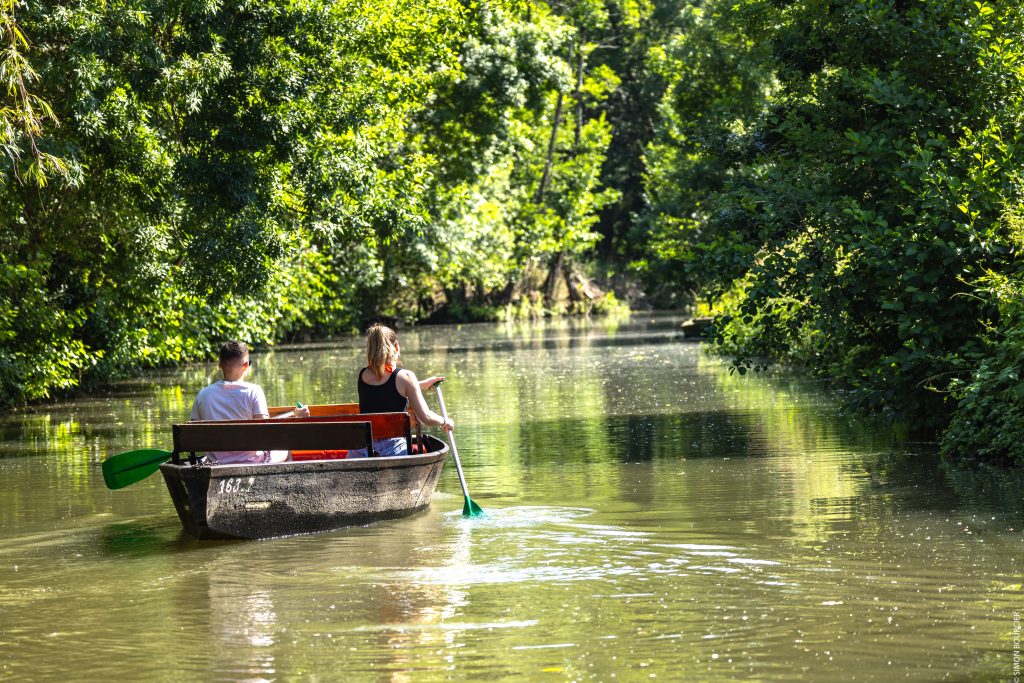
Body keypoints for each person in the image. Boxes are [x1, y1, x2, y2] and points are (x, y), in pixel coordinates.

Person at [189, 340, 310, 464]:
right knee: (285, 448)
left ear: (219, 365)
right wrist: (295, 419)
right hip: (253, 463)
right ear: (246, 365)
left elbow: (193, 434)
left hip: (216, 463)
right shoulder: (254, 391)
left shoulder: (202, 395)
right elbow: (265, 433)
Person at [351, 323, 453, 457]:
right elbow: (426, 418)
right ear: (396, 346)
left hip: (361, 450)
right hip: (392, 450)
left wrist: (421, 385)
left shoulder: (363, 374)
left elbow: (384, 390)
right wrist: (445, 421)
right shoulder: (406, 377)